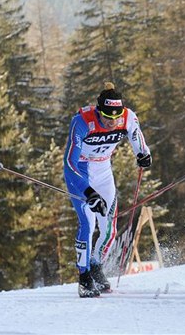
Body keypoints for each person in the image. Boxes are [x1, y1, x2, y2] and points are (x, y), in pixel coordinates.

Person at [63, 82, 152, 298]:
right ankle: (84, 278)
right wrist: (88, 192)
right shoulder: (82, 122)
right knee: (88, 223)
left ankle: (95, 265)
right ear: (98, 111)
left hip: (103, 170)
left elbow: (136, 136)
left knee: (109, 228)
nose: (112, 123)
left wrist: (143, 154)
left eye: (116, 117)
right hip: (81, 173)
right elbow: (69, 164)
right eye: (107, 118)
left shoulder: (127, 117)